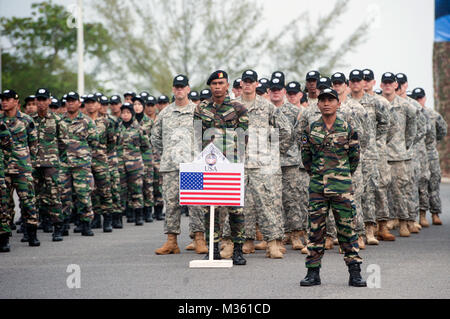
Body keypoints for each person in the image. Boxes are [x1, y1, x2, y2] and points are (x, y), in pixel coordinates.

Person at [300, 88, 366, 287]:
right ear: (318, 104)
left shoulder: (347, 128)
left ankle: (355, 273)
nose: (326, 103)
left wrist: (341, 175)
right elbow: (306, 159)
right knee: (315, 231)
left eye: (330, 100)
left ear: (338, 103)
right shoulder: (311, 129)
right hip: (318, 188)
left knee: (347, 230)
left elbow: (354, 158)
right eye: (323, 100)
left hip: (342, 188)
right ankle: (313, 273)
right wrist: (320, 175)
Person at [193, 70, 249, 265]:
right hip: (210, 165)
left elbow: (243, 139)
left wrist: (235, 161)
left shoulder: (238, 108)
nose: (217, 86)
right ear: (210, 86)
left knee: (236, 209)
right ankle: (213, 249)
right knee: (211, 209)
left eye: (221, 83)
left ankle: (238, 250)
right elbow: (198, 136)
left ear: (227, 86)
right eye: (214, 83)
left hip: (231, 165)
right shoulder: (201, 109)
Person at [236, 71, 292, 259]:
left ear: (256, 84)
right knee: (242, 205)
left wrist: (275, 152)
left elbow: (285, 130)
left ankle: (273, 243)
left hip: (264, 166)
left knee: (269, 204)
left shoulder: (266, 106)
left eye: (251, 82)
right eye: (245, 81)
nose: (248, 85)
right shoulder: (233, 106)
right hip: (240, 164)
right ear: (241, 84)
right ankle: (246, 241)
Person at [152, 74, 208, 256]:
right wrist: (168, 153)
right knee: (171, 204)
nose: (179, 90)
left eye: (182, 87)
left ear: (188, 89)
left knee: (196, 204)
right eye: (176, 87)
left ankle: (199, 238)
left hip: (192, 165)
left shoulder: (197, 111)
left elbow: (206, 137)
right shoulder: (165, 113)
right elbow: (156, 137)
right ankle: (171, 241)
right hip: (170, 165)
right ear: (173, 89)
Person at [347, 70, 390, 245]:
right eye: (354, 80)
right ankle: (356, 232)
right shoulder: (345, 102)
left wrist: (376, 140)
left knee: (369, 192)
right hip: (350, 154)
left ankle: (370, 230)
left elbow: (385, 123)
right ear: (349, 83)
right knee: (353, 192)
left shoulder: (374, 102)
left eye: (360, 80)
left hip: (370, 154)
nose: (357, 83)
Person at [0, 89, 40, 246]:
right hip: (3, 169)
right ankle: (3, 238)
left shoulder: (26, 120)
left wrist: (28, 162)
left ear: (16, 102)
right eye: (2, 99)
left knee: (28, 201)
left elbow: (34, 144)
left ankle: (32, 233)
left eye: (8, 99)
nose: (4, 102)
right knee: (3, 204)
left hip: (22, 168)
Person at [380, 72, 417, 237]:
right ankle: (384, 222)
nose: (388, 86)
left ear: (396, 85)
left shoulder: (406, 106)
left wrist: (404, 146)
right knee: (380, 191)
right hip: (380, 154)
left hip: (399, 155)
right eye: (385, 83)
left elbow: (413, 130)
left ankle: (404, 222)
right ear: (381, 85)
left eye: (390, 83)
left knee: (400, 190)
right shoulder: (377, 103)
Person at [273, 80, 308, 251]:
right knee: (273, 200)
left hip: (290, 161)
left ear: (284, 92)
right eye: (272, 90)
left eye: (278, 90)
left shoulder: (295, 111)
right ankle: (277, 235)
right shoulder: (264, 109)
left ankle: (296, 234)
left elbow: (302, 135)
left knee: (293, 199)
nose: (275, 93)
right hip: (269, 162)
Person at [59, 92, 98, 237]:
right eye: (68, 101)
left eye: (73, 101)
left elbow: (94, 140)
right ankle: (63, 224)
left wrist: (82, 153)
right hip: (63, 164)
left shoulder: (87, 121)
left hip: (81, 164)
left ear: (79, 103)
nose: (70, 103)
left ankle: (86, 224)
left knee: (83, 194)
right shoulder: (60, 121)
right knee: (64, 195)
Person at [31, 88, 65, 241]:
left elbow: (64, 143)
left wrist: (57, 160)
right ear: (36, 101)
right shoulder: (29, 120)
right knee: (32, 198)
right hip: (32, 164)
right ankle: (29, 230)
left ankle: (58, 227)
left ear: (49, 101)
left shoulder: (57, 120)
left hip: (51, 165)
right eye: (39, 99)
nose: (42, 102)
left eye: (44, 99)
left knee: (54, 196)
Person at [413, 88, 448, 226]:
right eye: (416, 98)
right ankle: (421, 215)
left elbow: (442, 130)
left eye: (420, 98)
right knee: (420, 184)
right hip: (418, 153)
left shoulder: (433, 115)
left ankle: (435, 213)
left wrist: (433, 143)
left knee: (433, 183)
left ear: (424, 98)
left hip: (431, 153)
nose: (418, 100)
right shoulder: (413, 113)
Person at [85, 94, 115, 232]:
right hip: (84, 160)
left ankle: (107, 219)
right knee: (91, 191)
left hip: (101, 160)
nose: (90, 105)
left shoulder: (106, 122)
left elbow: (111, 142)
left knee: (105, 190)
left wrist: (103, 154)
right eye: (88, 103)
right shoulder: (82, 121)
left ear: (98, 105)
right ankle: (96, 217)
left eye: (93, 102)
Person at [117, 102, 149, 230]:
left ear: (132, 114)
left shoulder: (139, 128)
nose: (125, 115)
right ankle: (119, 218)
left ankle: (139, 215)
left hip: (135, 164)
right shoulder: (117, 127)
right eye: (123, 113)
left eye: (128, 113)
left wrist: (135, 155)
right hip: (120, 164)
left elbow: (145, 145)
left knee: (136, 190)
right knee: (120, 191)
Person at [132, 94, 154, 225]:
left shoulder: (149, 122)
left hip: (146, 156)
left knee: (148, 184)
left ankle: (148, 210)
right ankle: (137, 212)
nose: (137, 107)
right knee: (136, 185)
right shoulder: (130, 121)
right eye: (135, 104)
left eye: (140, 104)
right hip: (133, 157)